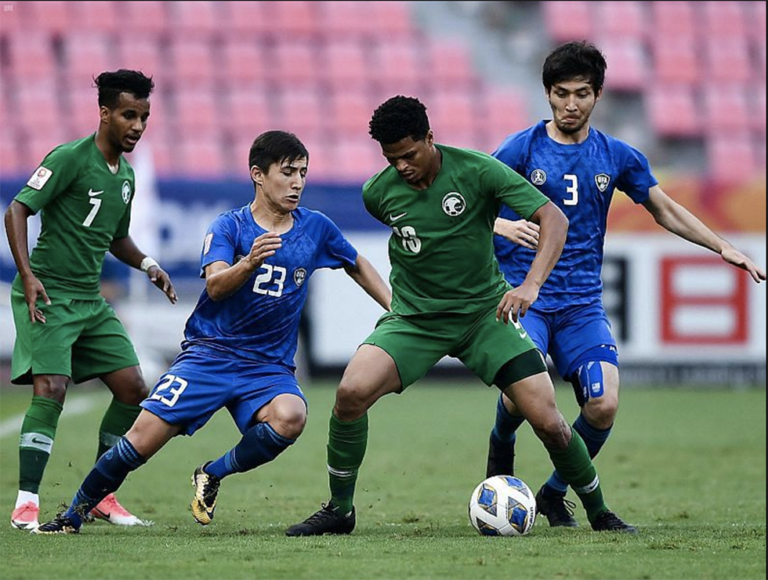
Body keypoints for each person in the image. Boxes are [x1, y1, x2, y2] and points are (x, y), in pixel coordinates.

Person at [286, 95, 636, 537]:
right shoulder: (378, 193)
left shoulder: (477, 170)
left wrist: (529, 285)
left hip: (484, 317)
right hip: (416, 320)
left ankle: (599, 511)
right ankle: (340, 510)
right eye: (392, 159)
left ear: (430, 139)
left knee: (549, 421)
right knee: (350, 393)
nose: (402, 167)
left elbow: (555, 220)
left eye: (409, 155)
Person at [33, 130, 392, 534]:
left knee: (292, 417)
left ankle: (212, 473)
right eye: (287, 172)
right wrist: (248, 263)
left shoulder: (316, 228)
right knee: (143, 438)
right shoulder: (229, 227)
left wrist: (394, 308)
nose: (297, 183)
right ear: (258, 174)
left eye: (303, 173)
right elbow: (216, 286)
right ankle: (74, 513)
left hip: (267, 366)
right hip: (210, 355)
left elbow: (356, 262)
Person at [485, 41, 767, 528]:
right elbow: (466, 201)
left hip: (581, 306)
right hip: (524, 297)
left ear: (598, 95)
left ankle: (554, 493)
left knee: (603, 402)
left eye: (581, 94)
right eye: (560, 94)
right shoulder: (519, 148)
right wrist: (502, 225)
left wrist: (722, 246)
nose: (570, 105)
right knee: (523, 398)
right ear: (547, 94)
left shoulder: (617, 156)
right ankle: (500, 454)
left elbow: (664, 209)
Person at [4, 70, 177, 531]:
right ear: (104, 113)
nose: (137, 125)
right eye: (128, 114)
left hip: (89, 299)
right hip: (50, 292)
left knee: (133, 390)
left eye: (143, 116)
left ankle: (100, 495)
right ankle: (25, 504)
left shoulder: (127, 177)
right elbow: (17, 209)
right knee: (52, 389)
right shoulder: (69, 158)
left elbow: (116, 239)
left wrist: (148, 266)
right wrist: (28, 273)